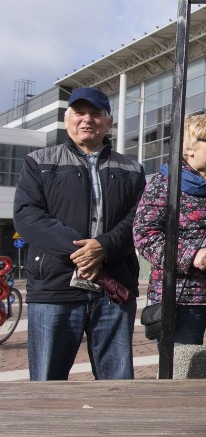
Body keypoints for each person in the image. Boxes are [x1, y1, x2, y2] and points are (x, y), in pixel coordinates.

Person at [14, 87, 146, 380]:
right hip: (55, 289)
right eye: (79, 113)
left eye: (95, 114)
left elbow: (140, 219)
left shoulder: (133, 169)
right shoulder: (39, 162)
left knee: (118, 383)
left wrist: (104, 246)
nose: (87, 120)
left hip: (113, 289)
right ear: (67, 119)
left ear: (108, 122)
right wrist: (83, 252)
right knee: (47, 384)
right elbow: (28, 216)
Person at [133, 114, 206, 377]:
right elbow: (144, 233)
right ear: (188, 148)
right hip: (180, 300)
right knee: (185, 373)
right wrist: (190, 255)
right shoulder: (166, 183)